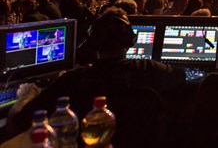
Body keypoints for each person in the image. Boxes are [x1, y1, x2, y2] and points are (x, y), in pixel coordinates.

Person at [8, 8, 186, 135]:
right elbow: (181, 77)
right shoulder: (150, 70)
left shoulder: (72, 80)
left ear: (93, 41)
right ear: (130, 40)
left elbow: (17, 122)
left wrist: (25, 96)